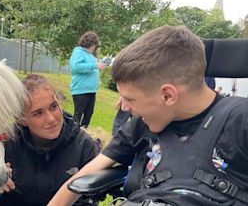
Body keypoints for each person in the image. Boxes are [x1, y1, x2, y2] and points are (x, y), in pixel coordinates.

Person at [48, 26, 248, 206]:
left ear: (168, 95)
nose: (124, 107)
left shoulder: (240, 122)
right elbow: (86, 174)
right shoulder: (140, 125)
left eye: (130, 99)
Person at [0, 74, 99, 206]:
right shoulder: (4, 144)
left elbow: (91, 200)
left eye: (53, 107)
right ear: (21, 120)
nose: (51, 119)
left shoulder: (84, 146)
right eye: (38, 113)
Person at [69, 31, 105, 128]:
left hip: (91, 90)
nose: (94, 47)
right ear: (90, 43)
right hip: (81, 90)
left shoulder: (91, 56)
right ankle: (73, 135)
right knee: (78, 114)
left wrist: (99, 67)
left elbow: (91, 68)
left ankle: (83, 134)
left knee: (89, 114)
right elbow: (75, 67)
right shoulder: (78, 52)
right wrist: (95, 65)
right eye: (94, 44)